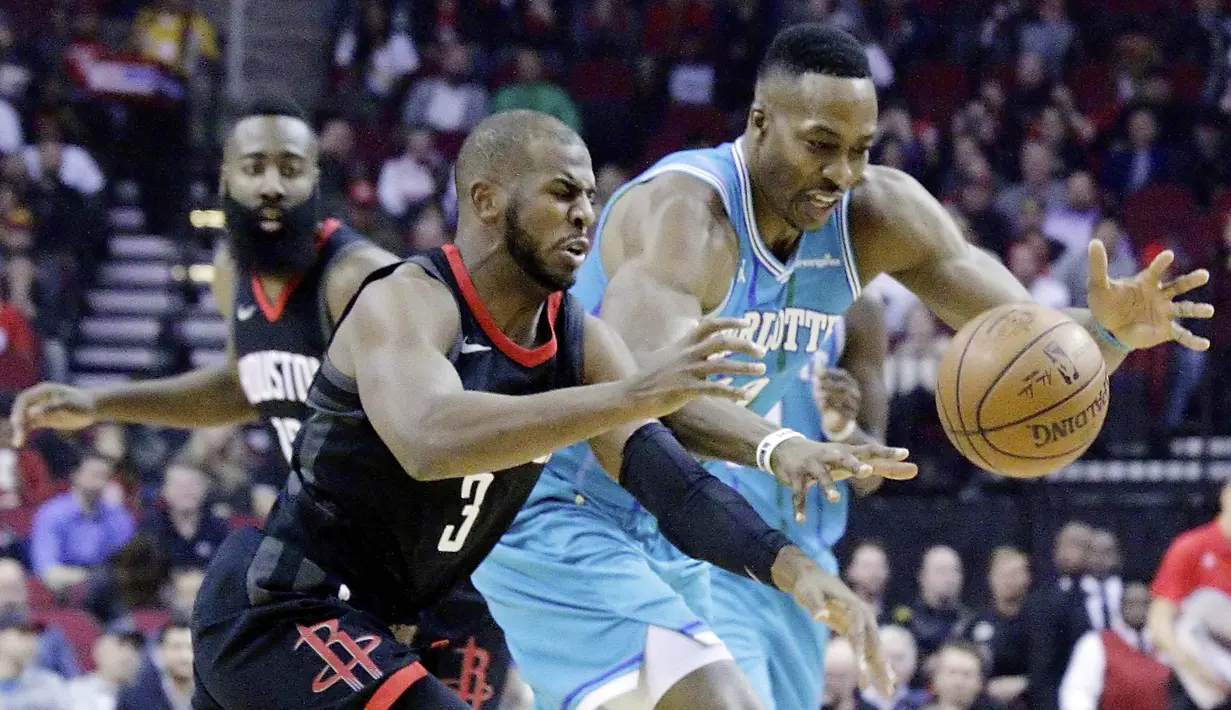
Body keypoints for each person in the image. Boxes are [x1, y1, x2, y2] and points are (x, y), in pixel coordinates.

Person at [471, 22, 1213, 710]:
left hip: (683, 525)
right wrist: (778, 445)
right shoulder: (684, 219)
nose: (842, 173)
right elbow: (638, 402)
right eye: (819, 145)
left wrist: (1109, 336)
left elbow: (1031, 345)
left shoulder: (876, 213)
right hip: (560, 508)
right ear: (759, 123)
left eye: (859, 148)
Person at [190, 109, 900, 710]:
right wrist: (624, 395)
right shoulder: (408, 299)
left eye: (590, 196)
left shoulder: (577, 340)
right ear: (487, 200)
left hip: (399, 618)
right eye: (561, 193)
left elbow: (671, 484)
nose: (585, 214)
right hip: (286, 607)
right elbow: (426, 439)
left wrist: (791, 568)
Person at [5, 98, 512, 708]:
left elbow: (445, 431)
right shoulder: (231, 273)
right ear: (225, 178)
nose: (272, 185)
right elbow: (249, 383)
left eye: (290, 168)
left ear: (315, 181)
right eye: (254, 167)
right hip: (332, 568)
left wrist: (412, 588)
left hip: (432, 579)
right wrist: (99, 403)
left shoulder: (361, 280)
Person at [708, 292, 888, 709]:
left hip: (808, 567)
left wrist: (843, 430)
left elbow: (874, 475)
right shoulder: (718, 276)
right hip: (721, 555)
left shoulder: (857, 308)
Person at [1148, 477, 1231, 710]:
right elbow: (1159, 622)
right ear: (1225, 495)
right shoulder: (1192, 547)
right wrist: (1197, 669)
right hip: (1199, 684)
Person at [1059, 581, 1168, 710]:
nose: (1137, 610)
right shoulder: (1096, 644)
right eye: (1131, 603)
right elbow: (1078, 692)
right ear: (1120, 606)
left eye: (1144, 604)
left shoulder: (1164, 645)